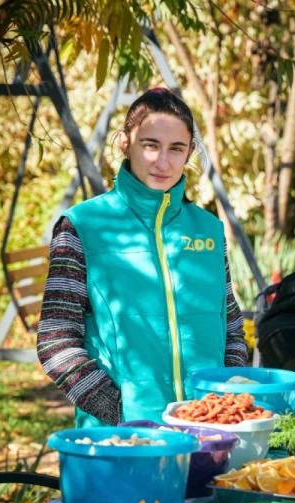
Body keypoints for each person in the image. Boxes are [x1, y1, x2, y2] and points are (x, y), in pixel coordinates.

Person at [37, 88, 248, 427]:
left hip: (209, 430)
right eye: (150, 145)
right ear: (125, 142)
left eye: (176, 149)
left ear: (190, 152)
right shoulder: (83, 225)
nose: (162, 162)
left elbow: (232, 326)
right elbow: (56, 339)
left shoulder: (208, 230)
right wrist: (118, 412)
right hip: (122, 438)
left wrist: (225, 403)